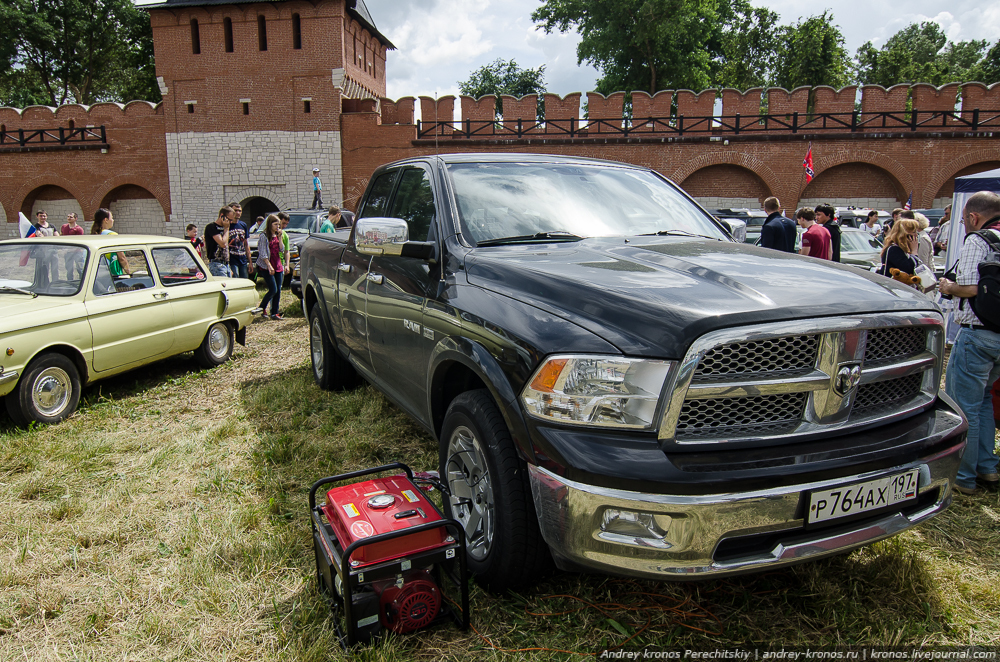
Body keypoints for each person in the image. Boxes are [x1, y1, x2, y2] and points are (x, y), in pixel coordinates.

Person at [937, 191, 1000, 495]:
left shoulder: (978, 240)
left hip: (977, 334)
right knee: (985, 401)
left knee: (965, 407)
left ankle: (963, 476)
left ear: (973, 217)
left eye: (963, 220)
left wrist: (949, 286)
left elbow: (971, 287)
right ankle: (987, 467)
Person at [254, 214, 285, 320]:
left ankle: (274, 312)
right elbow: (262, 253)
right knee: (273, 289)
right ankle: (262, 307)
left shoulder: (278, 235)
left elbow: (282, 249)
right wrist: (269, 266)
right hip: (267, 265)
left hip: (278, 265)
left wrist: (280, 237)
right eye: (275, 224)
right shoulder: (264, 236)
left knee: (278, 290)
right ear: (270, 224)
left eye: (279, 225)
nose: (277, 227)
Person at [91, 208, 130, 276]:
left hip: (97, 272)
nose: (113, 220)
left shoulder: (94, 234)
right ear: (106, 220)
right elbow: (122, 258)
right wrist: (129, 273)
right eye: (112, 218)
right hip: (110, 274)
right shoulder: (112, 235)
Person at [205, 206, 234, 277]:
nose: (230, 222)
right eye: (229, 219)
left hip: (226, 263)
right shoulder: (211, 227)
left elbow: (226, 247)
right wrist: (226, 229)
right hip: (216, 263)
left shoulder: (225, 228)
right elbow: (222, 244)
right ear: (222, 215)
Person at [226, 202, 252, 279]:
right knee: (235, 278)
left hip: (242, 258)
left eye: (239, 210)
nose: (238, 213)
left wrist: (250, 261)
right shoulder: (227, 225)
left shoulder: (243, 225)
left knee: (244, 279)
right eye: (235, 210)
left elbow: (246, 244)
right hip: (232, 259)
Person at [60, 212, 86, 279]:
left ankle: (82, 282)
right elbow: (61, 237)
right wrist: (63, 249)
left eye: (71, 217)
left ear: (75, 218)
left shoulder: (79, 229)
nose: (69, 218)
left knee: (80, 269)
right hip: (67, 252)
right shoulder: (64, 227)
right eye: (68, 216)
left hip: (77, 252)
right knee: (69, 270)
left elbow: (80, 242)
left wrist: (70, 250)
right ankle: (70, 283)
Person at [278, 212, 292, 289]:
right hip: (271, 262)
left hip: (281, 263)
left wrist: (287, 265)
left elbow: (286, 251)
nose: (284, 226)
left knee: (279, 286)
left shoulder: (285, 235)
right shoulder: (269, 234)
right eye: (283, 223)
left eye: (286, 224)